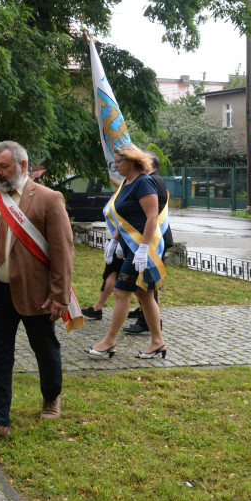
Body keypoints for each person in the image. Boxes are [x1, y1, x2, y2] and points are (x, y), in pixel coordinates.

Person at [0, 140, 74, 442]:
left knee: (44, 349)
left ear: (23, 166)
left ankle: (52, 396)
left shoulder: (48, 199)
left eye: (4, 166)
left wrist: (59, 295)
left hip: (37, 294)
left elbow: (63, 253)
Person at [85, 143, 167, 360]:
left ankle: (109, 342)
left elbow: (151, 218)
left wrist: (142, 248)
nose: (115, 166)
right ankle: (157, 342)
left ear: (131, 161)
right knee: (145, 295)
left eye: (118, 162)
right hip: (130, 245)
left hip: (142, 247)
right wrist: (114, 240)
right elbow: (125, 219)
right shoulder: (126, 183)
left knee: (122, 292)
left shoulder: (144, 182)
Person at [124, 153, 173, 335]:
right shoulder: (150, 179)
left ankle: (147, 321)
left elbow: (152, 214)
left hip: (154, 239)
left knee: (148, 282)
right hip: (149, 237)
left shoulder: (151, 181)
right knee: (144, 282)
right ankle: (144, 314)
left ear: (150, 164)